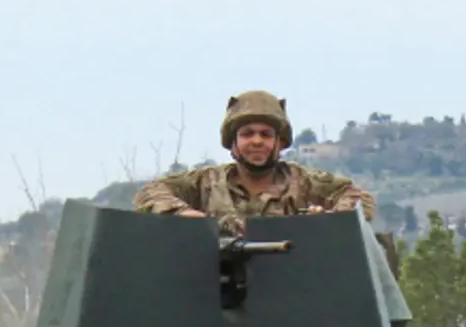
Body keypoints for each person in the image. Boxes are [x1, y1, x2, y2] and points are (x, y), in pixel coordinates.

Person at [134, 91, 375, 235]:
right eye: (247, 134)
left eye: (266, 134)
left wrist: (330, 219)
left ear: (280, 143)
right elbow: (149, 194)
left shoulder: (304, 183)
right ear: (233, 143)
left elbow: (358, 199)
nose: (257, 141)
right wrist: (187, 215)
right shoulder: (206, 183)